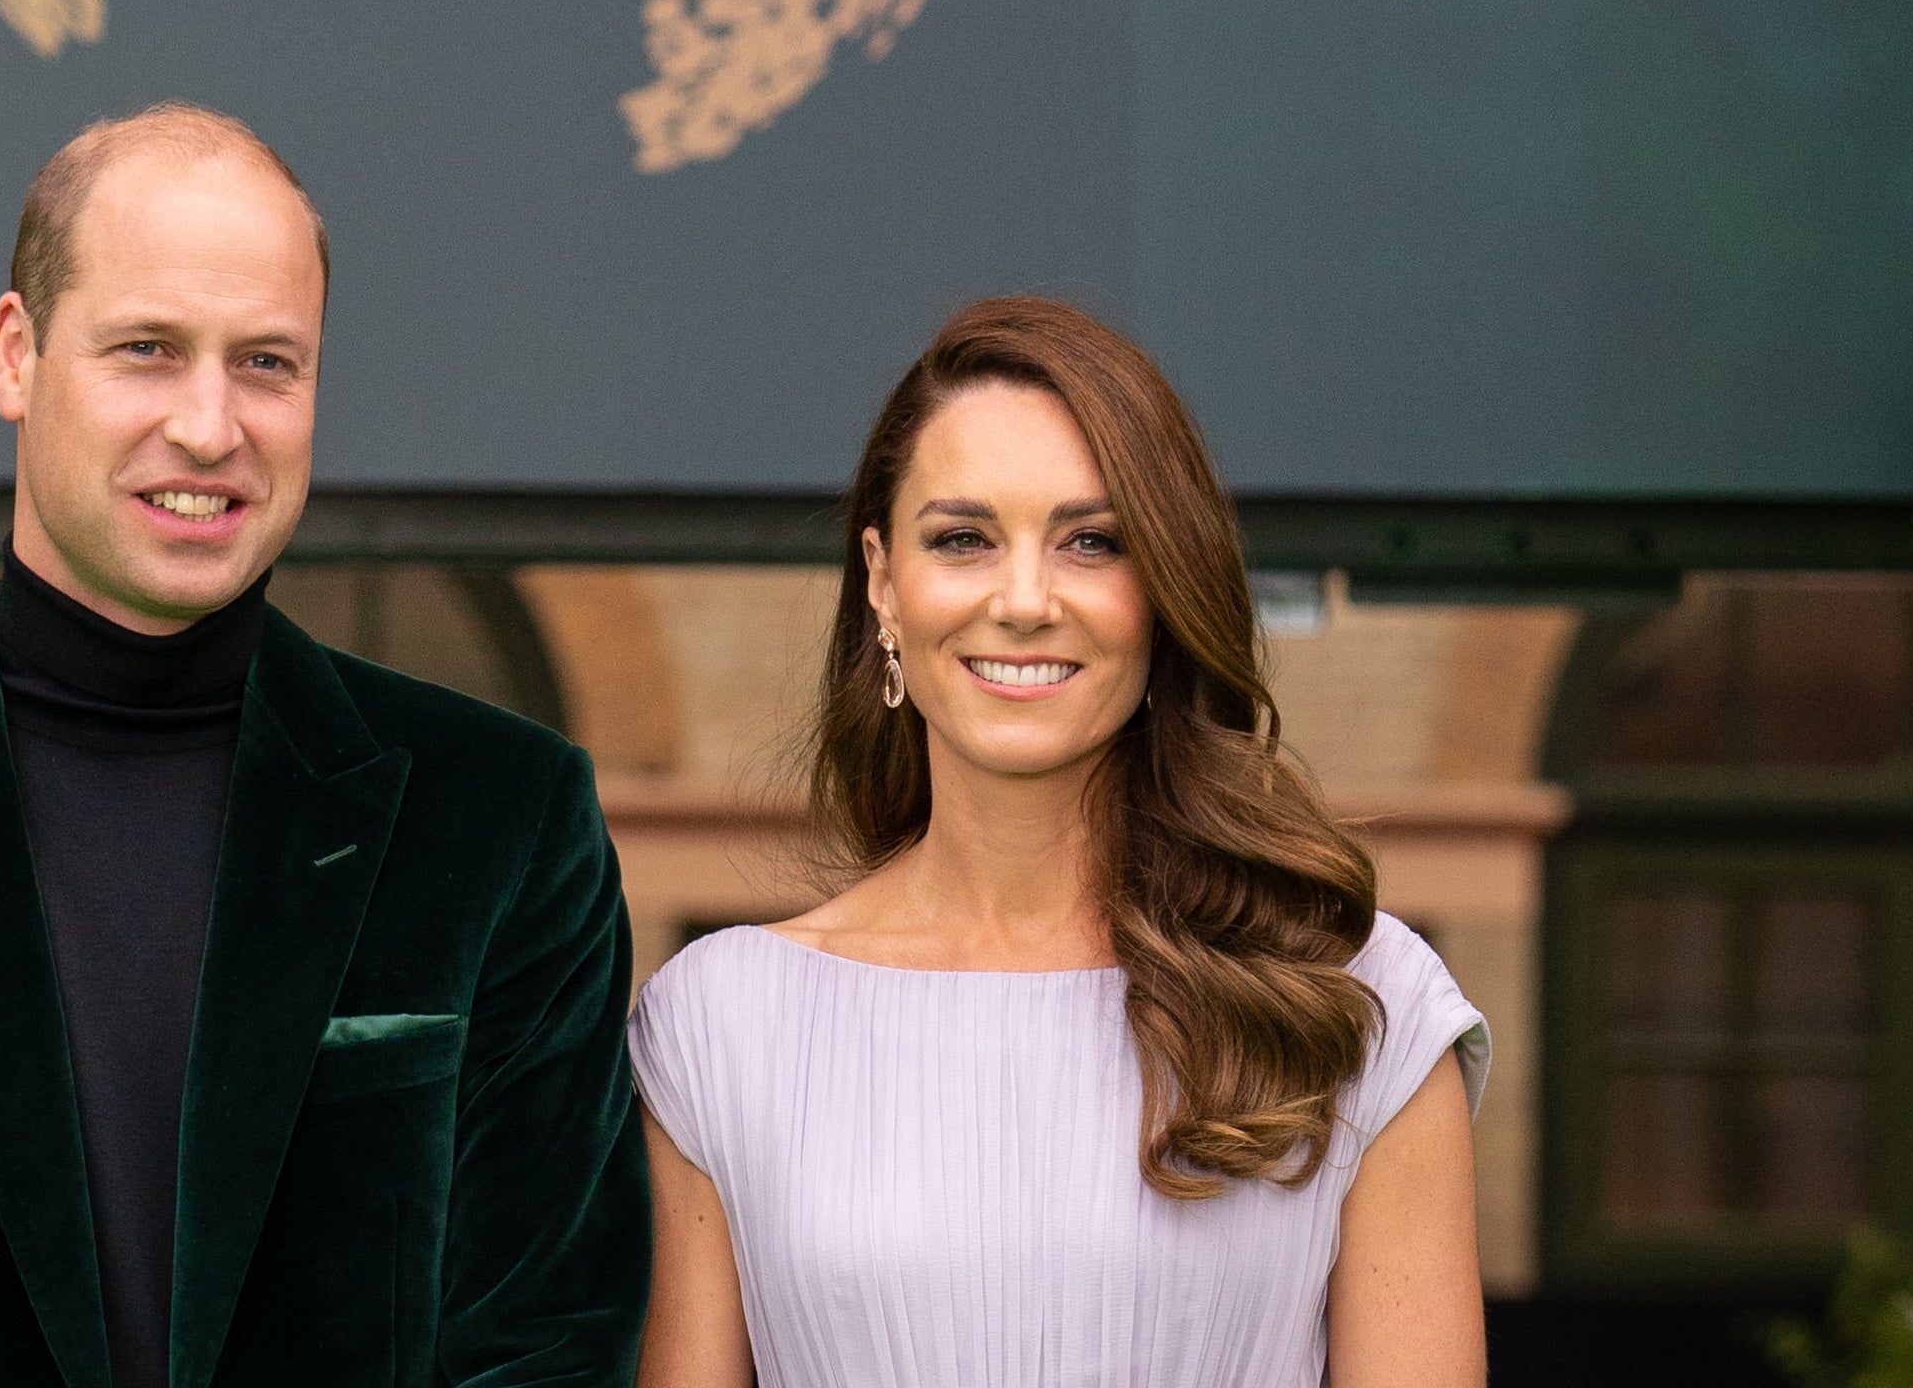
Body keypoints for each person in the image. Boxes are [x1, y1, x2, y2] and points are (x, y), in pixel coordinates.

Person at [0, 103, 649, 1388]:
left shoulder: (505, 823)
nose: (210, 426)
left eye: (268, 362)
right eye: (148, 348)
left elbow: (542, 1347)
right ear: (16, 355)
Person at [629, 297, 1487, 1388]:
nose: (1025, 599)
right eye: (963, 538)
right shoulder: (718, 1023)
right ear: (885, 581)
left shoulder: (1363, 1004)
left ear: (1166, 587)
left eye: (1093, 540)